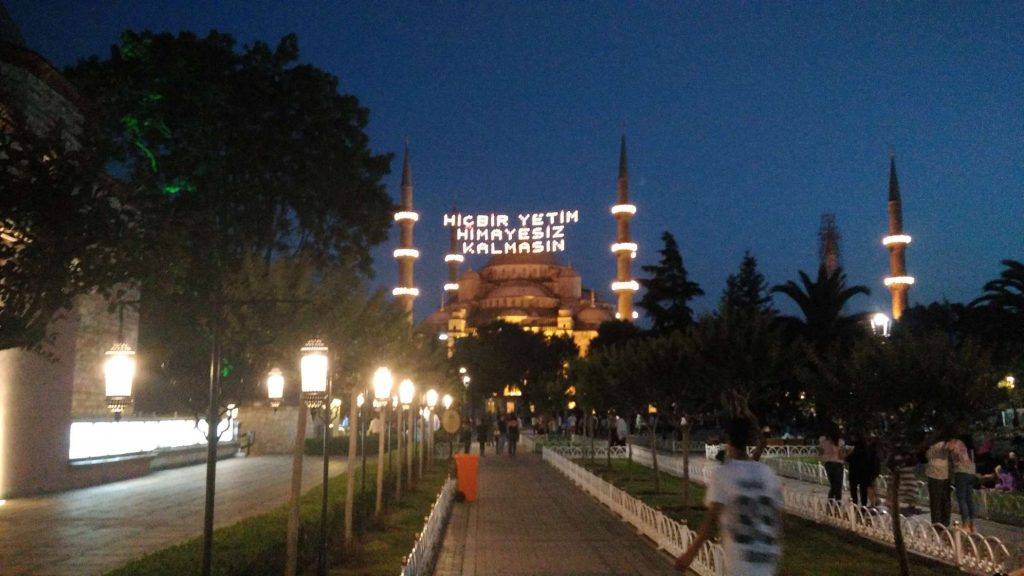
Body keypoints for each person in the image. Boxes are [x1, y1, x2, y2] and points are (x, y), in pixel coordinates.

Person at [675, 417, 783, 575]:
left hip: (740, 563)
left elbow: (710, 521)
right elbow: (778, 519)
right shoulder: (767, 474)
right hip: (767, 560)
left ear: (728, 439)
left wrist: (689, 554)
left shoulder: (724, 473)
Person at [947, 435, 977, 533]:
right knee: (970, 499)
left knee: (962, 499)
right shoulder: (963, 443)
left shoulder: (954, 443)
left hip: (961, 472)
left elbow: (949, 449)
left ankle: (965, 524)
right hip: (970, 471)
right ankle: (973, 525)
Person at [925, 439, 951, 525]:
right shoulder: (945, 443)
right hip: (943, 473)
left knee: (936, 501)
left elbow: (928, 455)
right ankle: (944, 522)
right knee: (944, 500)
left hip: (935, 473)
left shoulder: (938, 444)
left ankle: (937, 523)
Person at [819, 423, 846, 502]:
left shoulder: (823, 440)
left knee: (833, 485)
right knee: (838, 486)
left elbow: (821, 452)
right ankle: (838, 504)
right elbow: (841, 456)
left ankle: (830, 503)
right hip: (837, 464)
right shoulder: (839, 442)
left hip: (828, 464)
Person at [845, 432, 873, 507]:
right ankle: (864, 505)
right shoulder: (866, 450)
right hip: (864, 473)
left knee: (853, 490)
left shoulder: (855, 450)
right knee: (863, 490)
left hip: (854, 473)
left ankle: (855, 504)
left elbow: (847, 459)